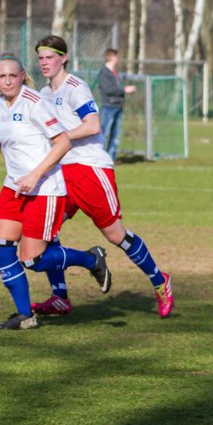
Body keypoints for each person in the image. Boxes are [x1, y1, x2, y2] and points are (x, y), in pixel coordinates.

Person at [34, 35, 174, 319]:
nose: (44, 63)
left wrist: (60, 138)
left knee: (115, 235)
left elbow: (93, 125)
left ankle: (160, 281)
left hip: (89, 169)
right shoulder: (43, 94)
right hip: (60, 171)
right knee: (45, 232)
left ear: (63, 58)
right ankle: (60, 297)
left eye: (49, 57)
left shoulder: (76, 88)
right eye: (40, 58)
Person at [0, 54, 89, 329]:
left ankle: (91, 259)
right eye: (2, 76)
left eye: (12, 75)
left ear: (21, 77)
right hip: (13, 188)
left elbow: (63, 142)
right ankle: (25, 315)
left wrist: (35, 174)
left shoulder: (34, 103)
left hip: (45, 189)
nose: (7, 80)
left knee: (32, 259)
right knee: (3, 250)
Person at [96, 48, 136, 159]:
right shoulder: (104, 73)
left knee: (116, 135)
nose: (118, 59)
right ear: (112, 57)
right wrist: (124, 90)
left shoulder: (114, 73)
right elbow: (108, 90)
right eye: (117, 56)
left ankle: (111, 158)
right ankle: (100, 157)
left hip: (118, 105)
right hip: (109, 106)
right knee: (105, 134)